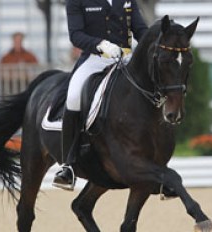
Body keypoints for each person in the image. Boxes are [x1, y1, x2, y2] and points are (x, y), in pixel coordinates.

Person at [52, 0, 148, 190]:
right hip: (95, 59)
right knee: (72, 97)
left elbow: (140, 29)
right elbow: (76, 35)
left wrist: (154, 43)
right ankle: (68, 165)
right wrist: (100, 44)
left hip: (125, 58)